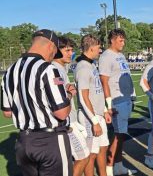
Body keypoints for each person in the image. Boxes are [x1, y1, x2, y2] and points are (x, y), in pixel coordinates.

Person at [1, 29, 73, 176]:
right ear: (50, 46)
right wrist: (69, 95)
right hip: (50, 140)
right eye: (54, 53)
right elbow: (62, 112)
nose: (53, 57)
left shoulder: (10, 71)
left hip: (23, 142)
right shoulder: (48, 69)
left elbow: (7, 112)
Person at [98, 29, 137, 175]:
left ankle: (118, 165)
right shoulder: (106, 56)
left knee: (121, 135)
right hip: (116, 100)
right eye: (120, 40)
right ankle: (109, 168)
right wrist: (109, 105)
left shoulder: (120, 55)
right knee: (117, 136)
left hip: (125, 99)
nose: (123, 42)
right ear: (112, 40)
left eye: (123, 39)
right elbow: (104, 81)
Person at [52, 36, 90, 176]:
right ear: (57, 51)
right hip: (66, 122)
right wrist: (70, 92)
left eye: (71, 50)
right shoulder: (55, 69)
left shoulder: (61, 68)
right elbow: (59, 97)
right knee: (83, 156)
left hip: (68, 119)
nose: (70, 53)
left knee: (70, 159)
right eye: (67, 50)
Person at [75, 34, 111, 176]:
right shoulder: (83, 67)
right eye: (98, 47)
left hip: (98, 115)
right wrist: (94, 121)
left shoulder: (91, 64)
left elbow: (97, 92)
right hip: (89, 118)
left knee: (103, 147)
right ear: (91, 47)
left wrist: (104, 110)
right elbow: (83, 97)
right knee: (90, 154)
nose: (100, 50)